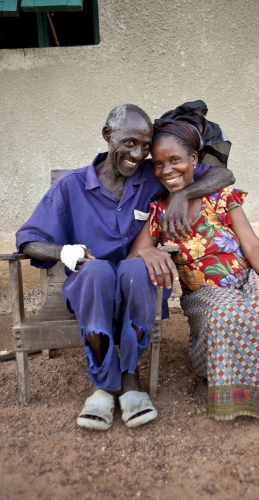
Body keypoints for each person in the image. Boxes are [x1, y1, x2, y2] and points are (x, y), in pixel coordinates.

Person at [15, 103, 235, 430]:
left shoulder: (150, 176)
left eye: (145, 146)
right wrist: (65, 251)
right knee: (96, 271)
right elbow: (28, 239)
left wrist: (181, 194)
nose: (138, 153)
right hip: (91, 294)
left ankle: (130, 378)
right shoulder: (71, 186)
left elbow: (223, 174)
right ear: (108, 135)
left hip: (139, 289)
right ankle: (105, 383)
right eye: (130, 142)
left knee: (135, 269)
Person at [128, 106, 259, 425]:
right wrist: (149, 253)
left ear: (194, 160)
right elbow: (135, 254)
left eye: (175, 160)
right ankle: (227, 381)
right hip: (205, 296)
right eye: (158, 164)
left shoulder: (221, 197)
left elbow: (253, 246)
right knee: (227, 318)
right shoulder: (159, 211)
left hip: (246, 281)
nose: (166, 170)